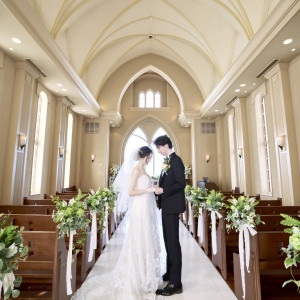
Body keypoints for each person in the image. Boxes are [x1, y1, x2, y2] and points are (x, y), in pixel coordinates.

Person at [72, 146, 162, 300]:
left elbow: (145, 186)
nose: (150, 160)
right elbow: (131, 192)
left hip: (147, 207)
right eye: (150, 157)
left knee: (147, 237)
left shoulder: (144, 170)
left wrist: (152, 188)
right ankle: (137, 278)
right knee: (139, 238)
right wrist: (149, 190)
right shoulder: (135, 170)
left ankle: (147, 278)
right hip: (140, 208)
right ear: (145, 156)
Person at [154, 135, 186, 296]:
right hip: (167, 206)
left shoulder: (176, 160)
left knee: (173, 243)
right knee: (168, 240)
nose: (158, 151)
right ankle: (170, 274)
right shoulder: (168, 161)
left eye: (159, 147)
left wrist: (163, 190)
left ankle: (176, 283)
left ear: (166, 145)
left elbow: (181, 183)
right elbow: (167, 180)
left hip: (172, 207)